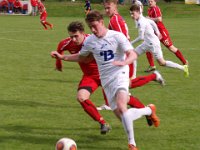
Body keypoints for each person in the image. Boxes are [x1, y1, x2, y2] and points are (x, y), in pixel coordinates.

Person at [51, 10, 160, 150]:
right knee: (123, 117)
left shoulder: (117, 36)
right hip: (106, 79)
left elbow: (132, 54)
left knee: (122, 106)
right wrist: (62, 58)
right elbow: (83, 57)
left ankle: (132, 144)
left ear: (102, 22)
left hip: (120, 73)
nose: (93, 30)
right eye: (91, 27)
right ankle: (148, 110)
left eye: (95, 26)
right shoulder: (90, 41)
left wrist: (125, 62)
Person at [97, 0, 165, 112]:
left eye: (108, 7)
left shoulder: (115, 20)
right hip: (123, 56)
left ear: (115, 7)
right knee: (111, 81)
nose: (106, 10)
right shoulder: (115, 19)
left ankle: (148, 108)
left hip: (124, 57)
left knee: (123, 86)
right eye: (105, 8)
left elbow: (121, 39)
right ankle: (145, 110)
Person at [54, 21, 111, 134]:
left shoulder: (93, 40)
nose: (74, 40)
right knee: (81, 97)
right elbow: (59, 49)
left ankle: (147, 111)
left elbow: (84, 58)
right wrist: (58, 64)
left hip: (107, 74)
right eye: (71, 36)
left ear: (83, 33)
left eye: (76, 36)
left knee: (124, 100)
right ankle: (103, 123)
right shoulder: (66, 43)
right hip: (90, 77)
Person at [130, 4, 188, 77]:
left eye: (133, 13)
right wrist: (157, 32)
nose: (132, 15)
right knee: (133, 55)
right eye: (131, 14)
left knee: (162, 63)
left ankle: (183, 68)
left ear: (138, 12)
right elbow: (152, 22)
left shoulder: (141, 22)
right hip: (147, 43)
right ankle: (133, 77)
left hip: (153, 44)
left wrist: (130, 43)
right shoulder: (142, 18)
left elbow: (141, 37)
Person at [145, 0, 189, 76]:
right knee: (147, 47)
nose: (150, 2)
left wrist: (149, 19)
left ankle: (185, 62)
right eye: (149, 1)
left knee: (171, 48)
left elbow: (159, 19)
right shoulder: (150, 9)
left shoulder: (156, 8)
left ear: (155, 2)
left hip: (161, 33)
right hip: (154, 33)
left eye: (151, 1)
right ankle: (152, 65)